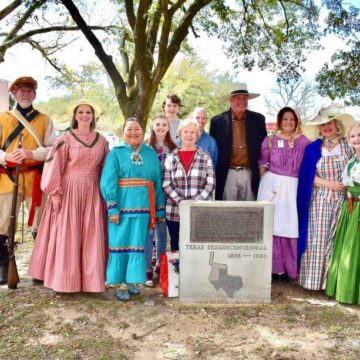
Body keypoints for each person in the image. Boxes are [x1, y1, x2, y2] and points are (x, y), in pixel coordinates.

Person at [28, 100, 108, 293]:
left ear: (93, 116)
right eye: (80, 112)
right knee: (67, 232)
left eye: (88, 112)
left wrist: (108, 192)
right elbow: (54, 165)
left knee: (90, 233)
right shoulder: (66, 138)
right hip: (69, 188)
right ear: (75, 115)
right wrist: (54, 192)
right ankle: (64, 280)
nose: (84, 115)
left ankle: (90, 281)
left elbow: (106, 167)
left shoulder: (102, 140)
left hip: (93, 190)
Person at [100, 118, 165, 301]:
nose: (133, 132)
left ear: (143, 132)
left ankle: (132, 282)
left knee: (137, 246)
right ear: (123, 132)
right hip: (121, 208)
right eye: (129, 129)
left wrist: (159, 210)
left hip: (144, 209)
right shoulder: (116, 153)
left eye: (137, 129)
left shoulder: (150, 153)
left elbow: (157, 183)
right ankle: (119, 283)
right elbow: (108, 181)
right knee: (120, 244)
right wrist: (112, 207)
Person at [0, 76, 56, 285]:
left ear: (34, 95)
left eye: (29, 91)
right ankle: (4, 266)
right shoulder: (2, 118)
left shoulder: (45, 120)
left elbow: (53, 149)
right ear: (14, 94)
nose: (25, 94)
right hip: (7, 176)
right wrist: (6, 157)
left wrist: (32, 153)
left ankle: (40, 266)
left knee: (41, 223)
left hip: (36, 177)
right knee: (4, 222)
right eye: (21, 91)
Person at [297, 105, 355, 290]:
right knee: (318, 239)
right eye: (322, 125)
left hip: (345, 199)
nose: (326, 127)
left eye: (329, 122)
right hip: (321, 199)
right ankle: (313, 282)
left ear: (336, 125)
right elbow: (306, 177)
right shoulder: (314, 148)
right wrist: (329, 184)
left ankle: (332, 284)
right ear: (319, 129)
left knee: (338, 239)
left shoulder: (347, 144)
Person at [257, 107, 310, 281]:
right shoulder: (270, 140)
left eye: (292, 119)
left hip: (293, 187)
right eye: (285, 119)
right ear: (280, 121)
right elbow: (263, 166)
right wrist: (264, 188)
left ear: (297, 121)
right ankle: (273, 269)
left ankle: (288, 270)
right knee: (271, 227)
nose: (288, 122)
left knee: (289, 226)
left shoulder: (305, 142)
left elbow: (309, 167)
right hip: (272, 187)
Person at [163, 118, 215, 251]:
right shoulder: (171, 157)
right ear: (180, 134)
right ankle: (178, 271)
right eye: (185, 131)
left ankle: (196, 272)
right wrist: (181, 202)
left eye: (192, 132)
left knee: (197, 247)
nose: (189, 135)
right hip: (175, 212)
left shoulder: (205, 157)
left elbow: (210, 183)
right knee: (176, 245)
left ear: (197, 135)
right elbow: (167, 184)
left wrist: (194, 203)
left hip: (199, 211)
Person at [210, 83, 267, 201]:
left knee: (251, 210)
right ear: (231, 100)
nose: (242, 101)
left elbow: (264, 146)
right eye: (238, 98)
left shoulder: (258, 119)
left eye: (244, 98)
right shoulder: (217, 121)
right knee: (227, 211)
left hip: (250, 172)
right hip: (227, 173)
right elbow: (213, 149)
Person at [326, 123, 360, 304]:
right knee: (347, 249)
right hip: (349, 207)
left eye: (359, 135)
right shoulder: (352, 160)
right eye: (353, 136)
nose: (356, 139)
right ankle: (346, 291)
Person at [145, 114, 177, 286]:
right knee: (149, 229)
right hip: (149, 193)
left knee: (162, 230)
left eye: (164, 124)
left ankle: (160, 264)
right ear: (152, 126)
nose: (161, 127)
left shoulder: (173, 148)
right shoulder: (145, 147)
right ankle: (147, 266)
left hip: (166, 194)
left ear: (168, 127)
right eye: (157, 124)